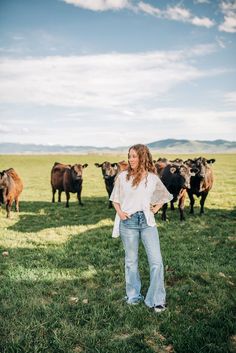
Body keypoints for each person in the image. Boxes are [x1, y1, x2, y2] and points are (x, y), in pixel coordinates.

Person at [109, 144, 173, 313]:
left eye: (135, 156)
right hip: (128, 223)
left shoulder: (152, 178)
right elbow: (115, 198)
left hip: (147, 223)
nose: (131, 159)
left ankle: (156, 299)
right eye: (130, 156)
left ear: (143, 157)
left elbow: (165, 196)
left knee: (156, 262)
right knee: (131, 262)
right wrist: (121, 213)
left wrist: (156, 208)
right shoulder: (123, 177)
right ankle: (133, 296)